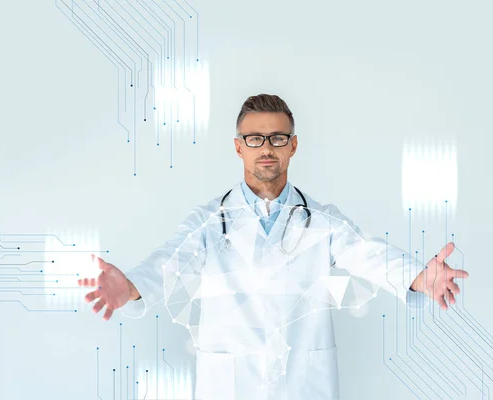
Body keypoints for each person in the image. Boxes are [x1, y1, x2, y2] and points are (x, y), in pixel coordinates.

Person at [78, 94, 469, 399]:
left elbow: (367, 252)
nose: (267, 148)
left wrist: (419, 276)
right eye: (255, 139)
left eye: (277, 138)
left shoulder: (321, 220)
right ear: (238, 147)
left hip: (303, 387)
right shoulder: (209, 221)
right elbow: (169, 261)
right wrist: (128, 286)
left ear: (293, 145)